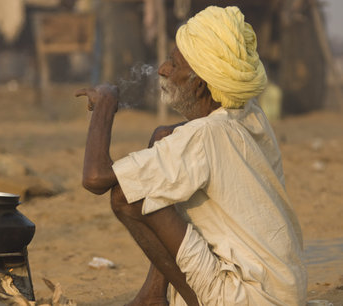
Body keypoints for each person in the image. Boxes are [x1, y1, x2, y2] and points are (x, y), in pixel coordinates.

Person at [75, 6, 307, 306]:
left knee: (127, 194)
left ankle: (166, 299)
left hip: (247, 297)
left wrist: (105, 105)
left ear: (199, 83)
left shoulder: (203, 136)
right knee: (162, 139)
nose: (162, 69)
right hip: (283, 288)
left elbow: (95, 178)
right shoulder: (248, 114)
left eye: (173, 64)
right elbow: (175, 141)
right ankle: (154, 293)